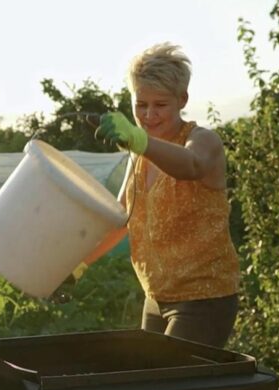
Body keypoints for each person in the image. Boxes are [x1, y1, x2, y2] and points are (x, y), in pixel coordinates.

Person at [82, 42, 240, 348]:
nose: (149, 115)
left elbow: (190, 165)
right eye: (141, 105)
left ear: (182, 99)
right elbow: (119, 219)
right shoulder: (139, 155)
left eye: (160, 105)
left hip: (203, 298)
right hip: (155, 297)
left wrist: (138, 140)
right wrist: (76, 266)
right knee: (151, 388)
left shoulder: (202, 140)